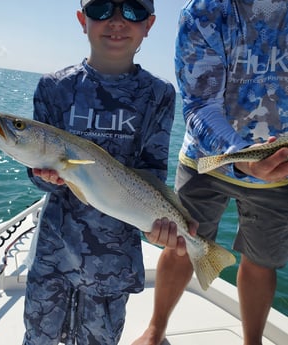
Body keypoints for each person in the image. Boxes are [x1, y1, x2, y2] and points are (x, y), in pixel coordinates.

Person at [22, 1, 183, 344]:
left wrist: (161, 225)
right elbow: (37, 173)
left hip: (114, 260)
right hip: (54, 253)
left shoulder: (159, 95)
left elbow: (152, 172)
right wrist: (42, 176)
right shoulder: (53, 87)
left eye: (133, 11)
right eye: (102, 7)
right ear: (83, 19)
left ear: (149, 24)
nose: (116, 21)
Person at [133, 1, 288, 345]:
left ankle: (252, 342)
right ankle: (156, 328)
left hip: (279, 167)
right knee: (179, 246)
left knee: (262, 261)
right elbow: (200, 104)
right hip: (207, 158)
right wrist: (241, 158)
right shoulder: (204, 11)